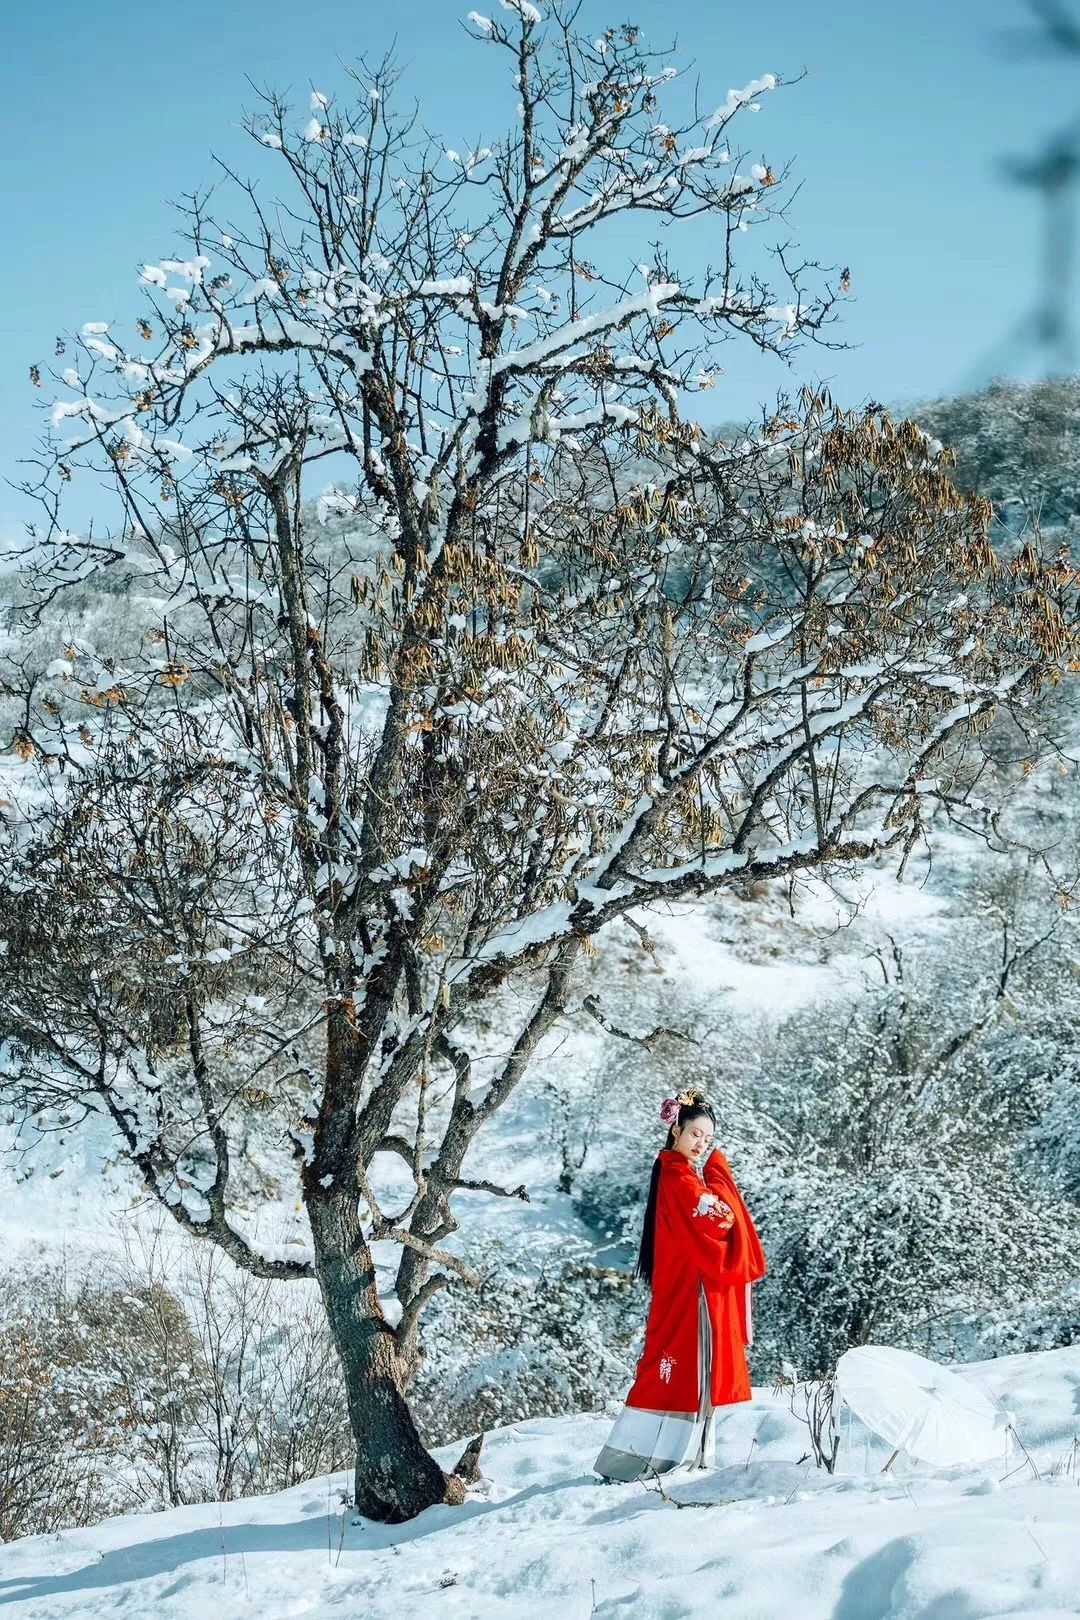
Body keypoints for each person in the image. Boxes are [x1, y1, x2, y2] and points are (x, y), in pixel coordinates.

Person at [593, 1088, 766, 1482]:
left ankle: (663, 1455)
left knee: (679, 1368)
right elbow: (719, 1219)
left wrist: (711, 1174)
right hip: (691, 1292)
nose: (702, 1145)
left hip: (685, 1288)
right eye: (695, 1136)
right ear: (676, 1132)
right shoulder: (678, 1176)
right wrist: (720, 1174)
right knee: (683, 1369)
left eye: (708, 1140)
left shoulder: (678, 1173)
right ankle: (661, 1458)